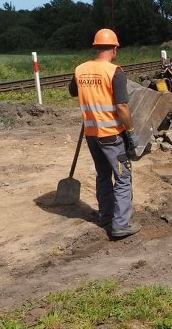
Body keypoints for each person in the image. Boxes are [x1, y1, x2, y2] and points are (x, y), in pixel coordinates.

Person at [69, 28, 141, 239]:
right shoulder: (115, 71)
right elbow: (122, 107)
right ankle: (120, 225)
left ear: (96, 47)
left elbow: (74, 91)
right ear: (115, 49)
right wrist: (131, 131)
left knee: (103, 175)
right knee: (123, 177)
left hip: (91, 134)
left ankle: (106, 216)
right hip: (111, 136)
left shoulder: (80, 69)